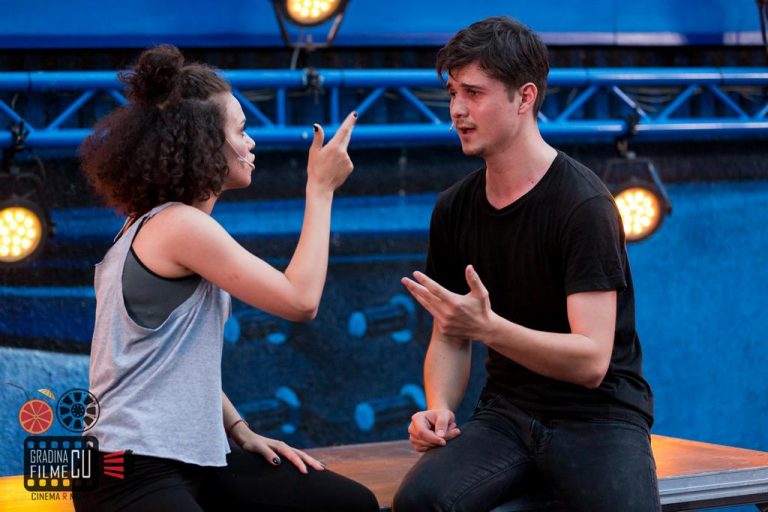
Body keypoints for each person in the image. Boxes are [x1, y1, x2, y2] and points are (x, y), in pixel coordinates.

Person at [73, 44, 378, 512]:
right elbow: (301, 300)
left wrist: (238, 429)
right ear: (204, 142)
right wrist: (320, 189)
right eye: (240, 130)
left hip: (193, 458)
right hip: (126, 468)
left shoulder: (158, 224)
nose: (251, 142)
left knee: (348, 504)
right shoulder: (178, 226)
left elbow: (171, 363)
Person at [393, 16, 660, 512]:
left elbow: (591, 362)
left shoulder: (583, 205)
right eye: (452, 93)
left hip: (598, 415)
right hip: (508, 412)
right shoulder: (454, 207)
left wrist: (489, 328)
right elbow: (451, 335)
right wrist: (439, 408)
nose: (457, 109)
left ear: (525, 97)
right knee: (421, 502)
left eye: (474, 93)